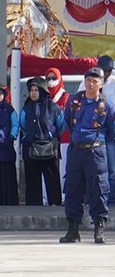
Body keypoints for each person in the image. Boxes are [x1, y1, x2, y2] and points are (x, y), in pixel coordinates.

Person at [60, 67, 115, 244]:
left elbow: (112, 131)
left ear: (101, 84)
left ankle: (99, 228)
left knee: (99, 189)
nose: (91, 84)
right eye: (88, 80)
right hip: (76, 150)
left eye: (95, 81)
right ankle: (73, 229)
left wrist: (96, 141)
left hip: (95, 151)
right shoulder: (74, 101)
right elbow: (68, 123)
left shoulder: (105, 105)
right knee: (72, 189)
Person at [20, 77, 64, 206]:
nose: (33, 93)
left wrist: (50, 135)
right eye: (31, 90)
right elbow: (22, 125)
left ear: (43, 91)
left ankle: (54, 203)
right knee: (32, 179)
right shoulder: (26, 107)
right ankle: (34, 206)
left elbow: (61, 125)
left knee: (52, 178)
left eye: (36, 90)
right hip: (31, 147)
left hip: (49, 147)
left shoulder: (54, 108)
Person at [97, 55, 115, 205]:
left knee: (112, 169)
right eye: (104, 70)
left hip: (110, 130)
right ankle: (97, 199)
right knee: (95, 169)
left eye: (109, 71)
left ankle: (112, 199)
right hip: (94, 133)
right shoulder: (86, 83)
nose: (107, 74)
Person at [45, 67, 70, 197]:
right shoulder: (45, 97)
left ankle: (65, 197)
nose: (51, 81)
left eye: (54, 78)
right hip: (48, 141)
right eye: (48, 78)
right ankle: (49, 198)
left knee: (64, 169)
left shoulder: (65, 97)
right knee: (49, 171)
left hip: (65, 139)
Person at [0, 84, 19, 205]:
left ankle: (9, 201)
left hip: (7, 148)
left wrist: (11, 136)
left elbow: (15, 124)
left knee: (8, 176)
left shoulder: (10, 109)